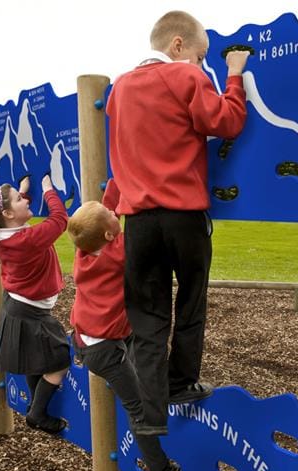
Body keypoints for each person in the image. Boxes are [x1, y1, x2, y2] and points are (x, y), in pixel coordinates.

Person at [106, 10, 250, 432]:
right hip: (183, 215)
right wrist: (234, 76)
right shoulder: (187, 78)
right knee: (190, 301)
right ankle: (181, 383)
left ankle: (151, 412)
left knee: (147, 314)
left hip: (140, 223)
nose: (204, 65)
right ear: (178, 46)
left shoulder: (119, 89)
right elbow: (226, 122)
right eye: (202, 56)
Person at [67, 180, 181, 471]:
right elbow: (139, 239)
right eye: (109, 214)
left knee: (140, 354)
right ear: (109, 234)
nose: (113, 212)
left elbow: (112, 205)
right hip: (104, 350)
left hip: (89, 336)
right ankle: (159, 468)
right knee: (137, 406)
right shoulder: (118, 254)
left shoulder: (85, 250)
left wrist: (123, 173)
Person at [0, 173, 70, 436]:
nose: (24, 200)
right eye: (19, 199)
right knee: (59, 360)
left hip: (18, 305)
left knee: (35, 359)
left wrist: (24, 192)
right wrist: (48, 190)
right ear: (7, 212)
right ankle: (38, 413)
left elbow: (12, 215)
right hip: (29, 310)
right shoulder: (27, 240)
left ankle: (34, 403)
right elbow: (59, 220)